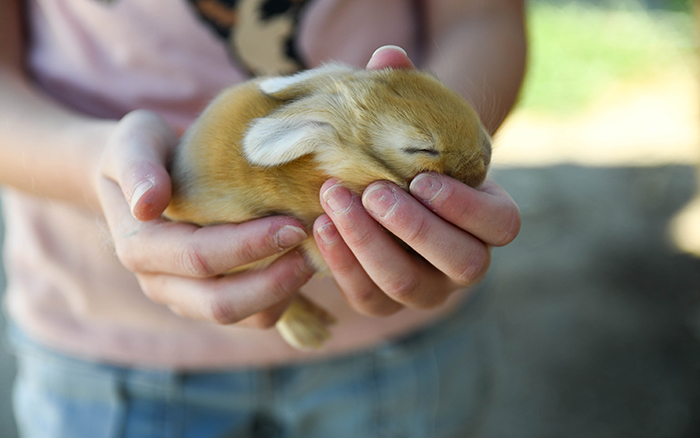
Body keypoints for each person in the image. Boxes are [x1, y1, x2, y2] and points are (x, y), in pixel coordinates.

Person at [0, 0, 526, 436]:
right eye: (419, 148)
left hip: (400, 344)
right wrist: (102, 170)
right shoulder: (317, 146)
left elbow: (481, 17)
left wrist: (436, 207)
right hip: (106, 347)